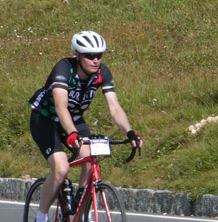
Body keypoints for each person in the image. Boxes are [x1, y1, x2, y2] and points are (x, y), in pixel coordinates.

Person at [29, 30, 143, 222]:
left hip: (73, 119)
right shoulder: (64, 69)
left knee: (90, 159)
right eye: (90, 56)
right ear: (78, 55)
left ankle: (80, 213)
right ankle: (41, 217)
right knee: (61, 168)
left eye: (99, 56)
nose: (95, 60)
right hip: (46, 119)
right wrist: (72, 133)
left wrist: (130, 132)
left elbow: (114, 108)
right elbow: (60, 106)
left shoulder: (102, 73)